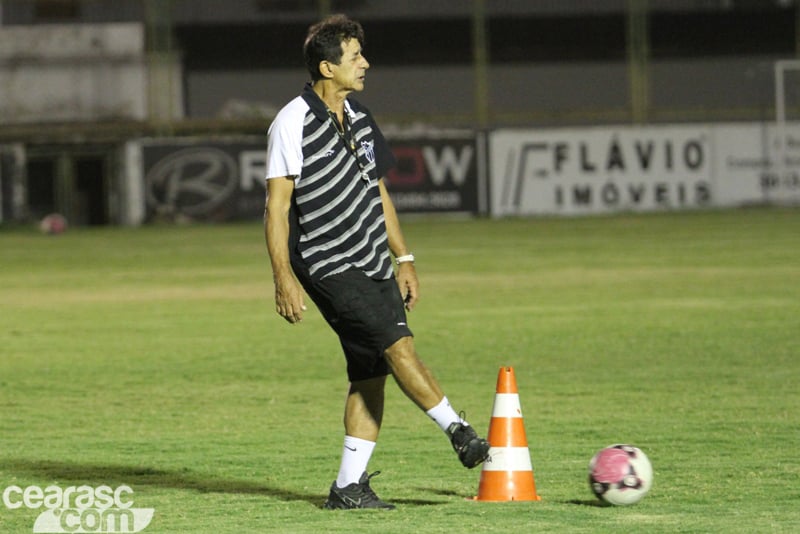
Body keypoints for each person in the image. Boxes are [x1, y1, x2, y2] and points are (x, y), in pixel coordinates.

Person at [263, 14, 489, 510]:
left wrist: (403, 257)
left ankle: (348, 488)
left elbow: (378, 188)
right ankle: (459, 430)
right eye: (354, 57)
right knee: (397, 344)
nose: (365, 63)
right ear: (327, 66)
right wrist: (282, 277)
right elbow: (277, 207)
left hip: (371, 259)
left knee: (369, 373)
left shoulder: (360, 115)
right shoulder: (292, 122)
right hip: (328, 263)